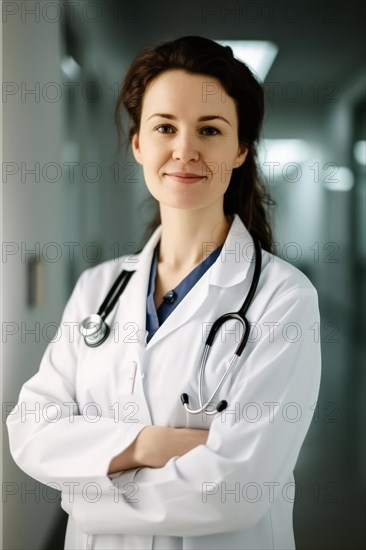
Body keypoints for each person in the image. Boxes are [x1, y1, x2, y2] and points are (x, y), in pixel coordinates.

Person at [6, 35, 321, 550]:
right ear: (138, 144)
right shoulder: (99, 288)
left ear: (240, 148)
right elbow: (30, 428)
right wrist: (147, 443)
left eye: (210, 130)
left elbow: (236, 489)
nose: (185, 150)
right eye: (165, 127)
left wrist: (85, 490)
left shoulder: (283, 300)